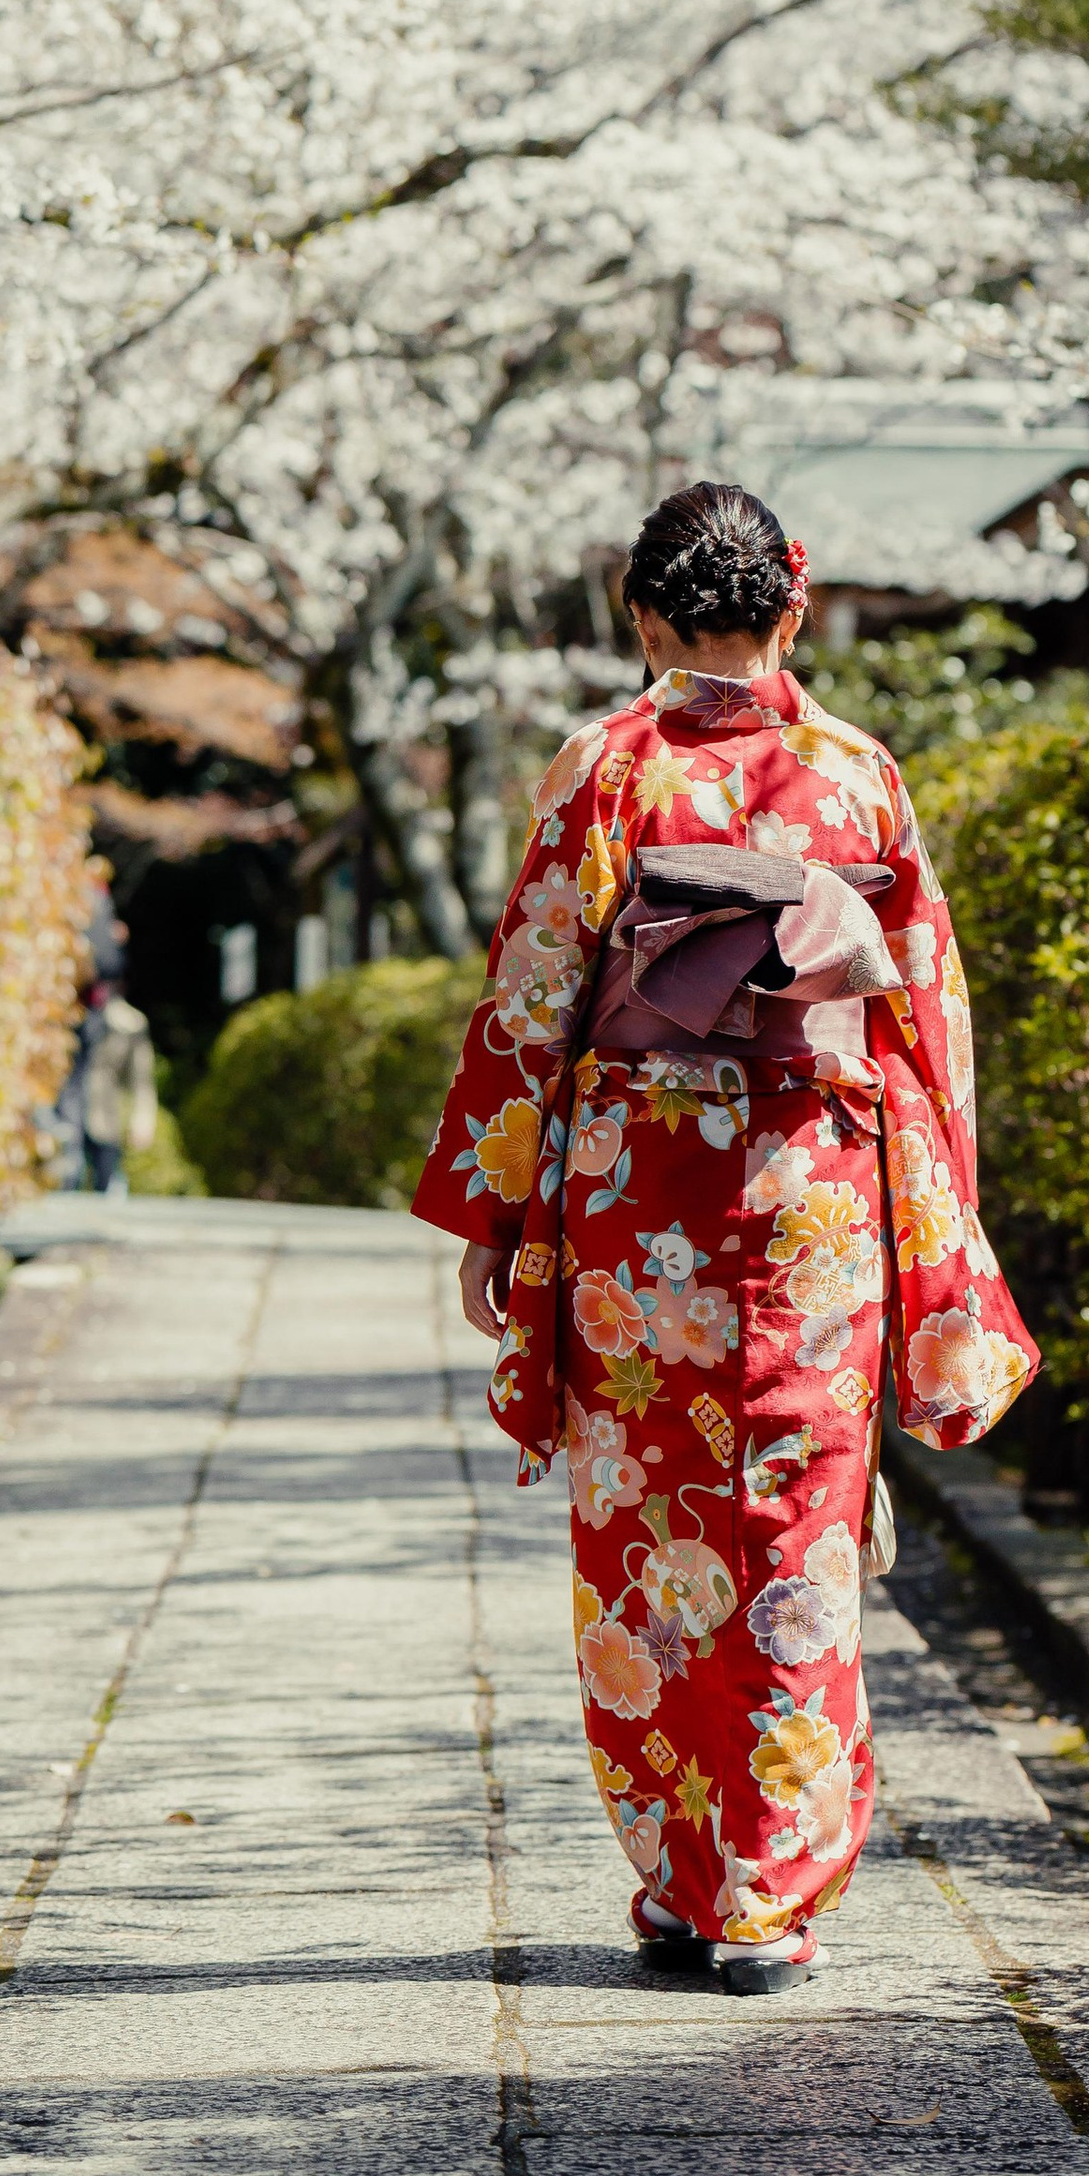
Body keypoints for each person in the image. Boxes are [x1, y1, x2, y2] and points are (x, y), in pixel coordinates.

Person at [416, 484, 1041, 1996]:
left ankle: (692, 1881)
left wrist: (503, 1212)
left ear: (643, 615)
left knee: (650, 1539)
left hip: (644, 1211)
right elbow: (922, 1020)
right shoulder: (858, 778)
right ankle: (770, 1889)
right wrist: (934, 1208)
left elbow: (532, 1003)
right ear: (794, 606)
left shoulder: (605, 770)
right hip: (815, 1196)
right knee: (795, 1524)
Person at [76, 951, 160, 1195]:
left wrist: (143, 1118)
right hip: (67, 1118)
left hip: (104, 1117)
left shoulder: (130, 1023)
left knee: (106, 1189)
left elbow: (141, 1078)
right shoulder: (64, 1012)